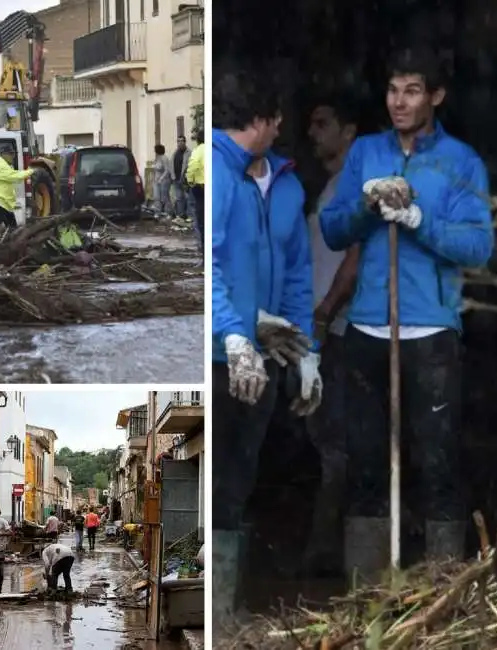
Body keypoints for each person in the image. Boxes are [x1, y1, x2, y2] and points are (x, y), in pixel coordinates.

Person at [319, 48, 493, 580]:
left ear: (435, 96)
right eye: (394, 90)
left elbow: (478, 247)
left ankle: (442, 589)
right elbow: (332, 229)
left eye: (412, 90)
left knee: (438, 463)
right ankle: (366, 597)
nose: (399, 101)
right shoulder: (367, 153)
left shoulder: (461, 162)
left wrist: (418, 219)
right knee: (366, 463)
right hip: (369, 326)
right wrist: (367, 208)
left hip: (432, 328)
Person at [211, 66, 319, 623]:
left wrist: (309, 352)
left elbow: (299, 273)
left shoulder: (287, 183)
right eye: (276, 122)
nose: (280, 131)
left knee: (246, 477)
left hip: (267, 357)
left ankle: (227, 610)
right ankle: (218, 615)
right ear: (263, 119)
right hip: (220, 359)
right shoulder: (216, 174)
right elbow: (205, 269)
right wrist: (231, 330)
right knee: (223, 478)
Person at [301, 95, 362, 576]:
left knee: (337, 445)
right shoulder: (329, 188)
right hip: (321, 328)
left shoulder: (353, 189)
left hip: (338, 329)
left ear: (349, 130)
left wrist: (324, 313)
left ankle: (328, 553)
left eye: (323, 122)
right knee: (324, 441)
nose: (312, 133)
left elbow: (354, 261)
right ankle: (326, 549)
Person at [0, 146, 33, 231]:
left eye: (14, 154)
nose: (13, 156)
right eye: (11, 154)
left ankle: (7, 242)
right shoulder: (1, 167)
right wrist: (30, 171)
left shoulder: (5, 166)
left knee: (12, 227)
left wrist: (27, 172)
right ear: (3, 154)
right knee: (0, 228)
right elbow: (15, 176)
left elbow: (16, 175)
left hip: (5, 203)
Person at [186, 129, 206, 253]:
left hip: (201, 188)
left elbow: (192, 166)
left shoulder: (198, 150)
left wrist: (190, 180)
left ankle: (203, 250)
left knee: (201, 220)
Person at [152, 144, 174, 215]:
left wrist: (161, 179)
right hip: (156, 181)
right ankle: (158, 212)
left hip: (164, 181)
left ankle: (168, 212)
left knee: (165, 197)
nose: (154, 151)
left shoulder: (164, 158)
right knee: (156, 197)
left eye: (155, 150)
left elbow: (167, 170)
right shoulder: (157, 158)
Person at [171, 135, 190, 217]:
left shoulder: (189, 153)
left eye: (182, 141)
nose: (180, 143)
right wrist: (172, 176)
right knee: (178, 198)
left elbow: (190, 166)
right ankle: (180, 215)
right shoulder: (175, 153)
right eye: (178, 141)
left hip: (185, 180)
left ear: (185, 142)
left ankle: (188, 215)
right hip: (176, 179)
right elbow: (171, 164)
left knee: (187, 198)